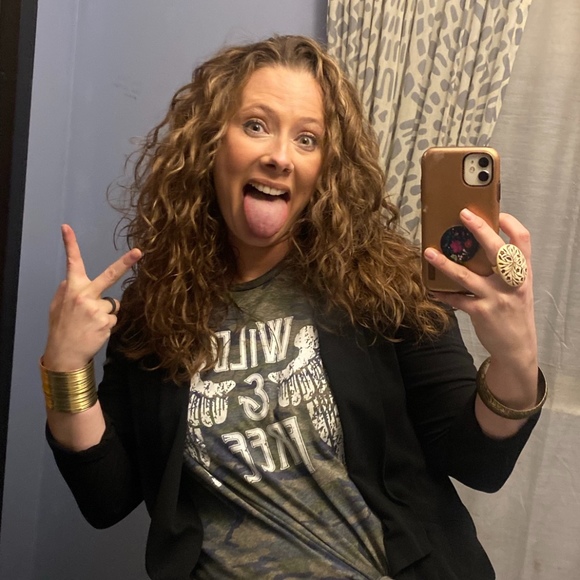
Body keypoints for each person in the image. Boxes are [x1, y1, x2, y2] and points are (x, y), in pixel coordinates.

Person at [42, 35, 545, 580]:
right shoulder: (156, 305)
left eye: (307, 139)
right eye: (256, 125)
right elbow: (107, 498)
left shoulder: (386, 283)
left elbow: (477, 462)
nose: (279, 156)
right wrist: (65, 370)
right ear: (211, 143)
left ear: (327, 167)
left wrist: (515, 360)